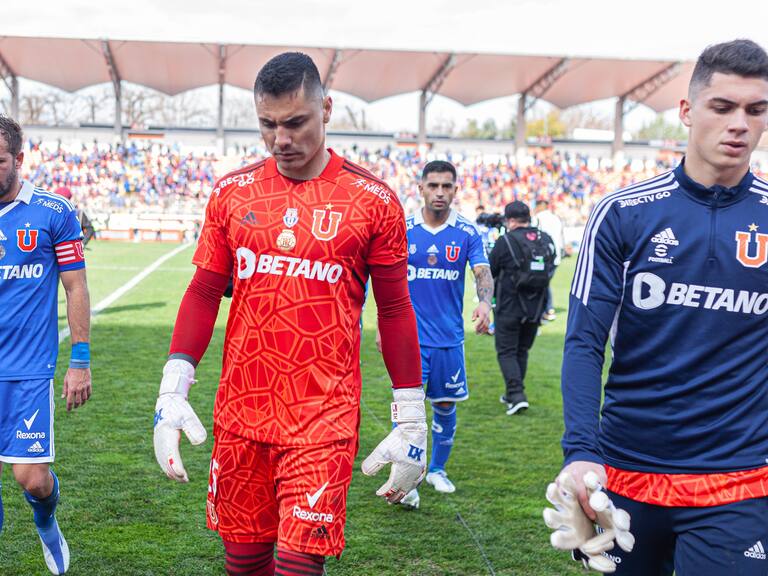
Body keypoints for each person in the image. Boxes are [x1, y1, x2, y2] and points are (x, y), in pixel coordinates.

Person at [152, 52, 426, 576]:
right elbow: (204, 289)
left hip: (322, 418)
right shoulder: (232, 193)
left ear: (327, 108)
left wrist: (411, 415)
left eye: (296, 122)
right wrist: (173, 385)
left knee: (298, 566)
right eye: (268, 125)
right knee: (244, 564)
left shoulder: (373, 201)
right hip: (241, 414)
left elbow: (394, 309)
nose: (281, 139)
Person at [552, 39, 768, 575]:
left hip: (737, 481)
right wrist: (580, 453)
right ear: (688, 111)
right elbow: (582, 341)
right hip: (625, 475)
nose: (739, 123)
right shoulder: (622, 214)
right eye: (723, 107)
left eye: (756, 110)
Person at [0, 116, 91, 575]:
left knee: (31, 479)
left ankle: (47, 522)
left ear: (18, 159)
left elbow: (75, 286)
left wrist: (80, 358)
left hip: (28, 370)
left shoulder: (53, 213)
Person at [377, 160, 492, 508]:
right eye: (433, 186)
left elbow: (483, 273)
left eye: (446, 186)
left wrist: (485, 304)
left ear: (456, 190)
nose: (440, 192)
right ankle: (405, 481)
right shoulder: (403, 230)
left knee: (444, 405)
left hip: (448, 340)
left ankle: (437, 469)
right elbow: (382, 280)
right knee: (408, 413)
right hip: (409, 340)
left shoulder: (468, 233)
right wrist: (384, 326)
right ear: (421, 189)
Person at [489, 201, 555, 415]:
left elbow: (490, 271)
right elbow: (552, 266)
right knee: (521, 350)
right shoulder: (545, 239)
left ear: (509, 220)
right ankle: (512, 393)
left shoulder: (505, 241)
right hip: (536, 306)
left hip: (509, 305)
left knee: (507, 351)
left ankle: (516, 394)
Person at [533, 198, 564, 321]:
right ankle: (547, 309)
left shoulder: (538, 218)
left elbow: (535, 236)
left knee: (541, 283)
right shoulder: (555, 218)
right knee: (544, 282)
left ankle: (545, 310)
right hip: (555, 255)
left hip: (543, 256)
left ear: (540, 206)